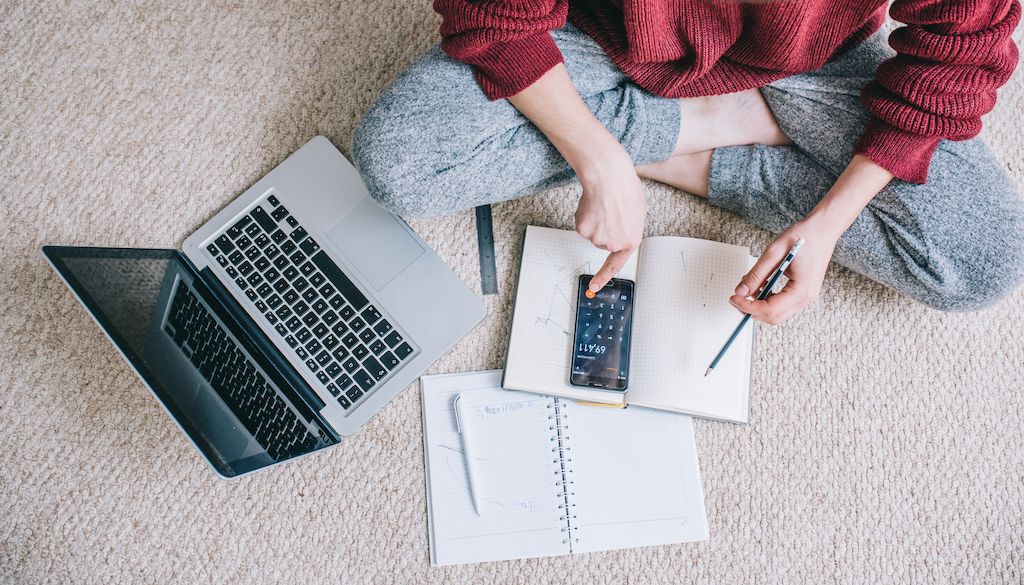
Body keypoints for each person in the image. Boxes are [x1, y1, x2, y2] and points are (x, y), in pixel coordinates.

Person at [352, 0, 1024, 324]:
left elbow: (959, 54)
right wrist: (599, 161)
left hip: (811, 61)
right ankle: (699, 124)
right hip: (596, 31)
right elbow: (493, 15)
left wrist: (826, 225)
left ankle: (691, 134)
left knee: (987, 259)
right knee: (398, 162)